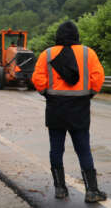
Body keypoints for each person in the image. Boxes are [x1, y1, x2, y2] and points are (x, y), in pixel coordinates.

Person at [32, 21, 106, 203]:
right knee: (83, 149)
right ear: (76, 36)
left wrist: (48, 94)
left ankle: (60, 189)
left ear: (57, 36)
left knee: (56, 149)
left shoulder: (47, 54)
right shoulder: (88, 53)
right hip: (80, 109)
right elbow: (98, 79)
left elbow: (37, 79)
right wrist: (88, 95)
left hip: (55, 108)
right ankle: (92, 191)